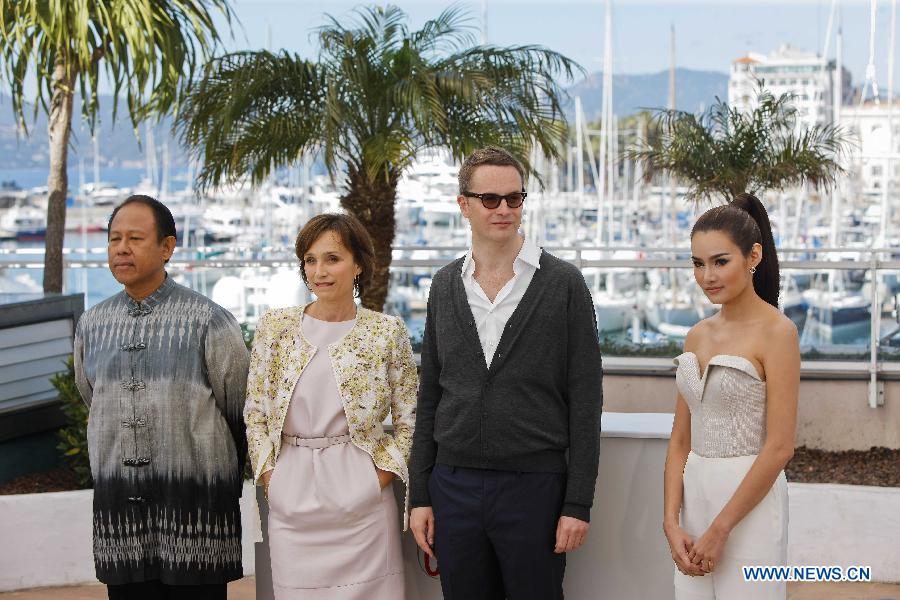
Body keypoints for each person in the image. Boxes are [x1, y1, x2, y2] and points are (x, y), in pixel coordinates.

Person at [408, 146, 604, 599]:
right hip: (453, 487)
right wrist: (421, 494)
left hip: (535, 489)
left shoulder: (563, 284)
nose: (504, 210)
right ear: (464, 205)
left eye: (514, 199)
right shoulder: (443, 285)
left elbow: (586, 400)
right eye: (491, 199)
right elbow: (431, 396)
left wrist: (577, 503)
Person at [73, 195, 250, 600]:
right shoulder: (92, 325)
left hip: (196, 514)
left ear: (167, 247)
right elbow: (93, 398)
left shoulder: (210, 321)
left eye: (135, 238)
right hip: (122, 517)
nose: (121, 248)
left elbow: (239, 411)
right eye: (114, 238)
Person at [244, 213, 417, 599]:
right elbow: (254, 413)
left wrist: (376, 481)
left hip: (364, 503)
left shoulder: (386, 332)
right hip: (292, 498)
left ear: (358, 264)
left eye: (332, 258)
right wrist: (272, 478)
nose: (319, 271)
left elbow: (411, 420)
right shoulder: (274, 327)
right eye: (310, 259)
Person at [663, 193, 799, 599]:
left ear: (753, 256)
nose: (708, 276)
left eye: (720, 261)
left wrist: (721, 528)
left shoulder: (778, 333)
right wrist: (670, 521)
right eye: (698, 264)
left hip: (750, 504)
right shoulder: (696, 335)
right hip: (695, 494)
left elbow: (779, 448)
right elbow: (680, 441)